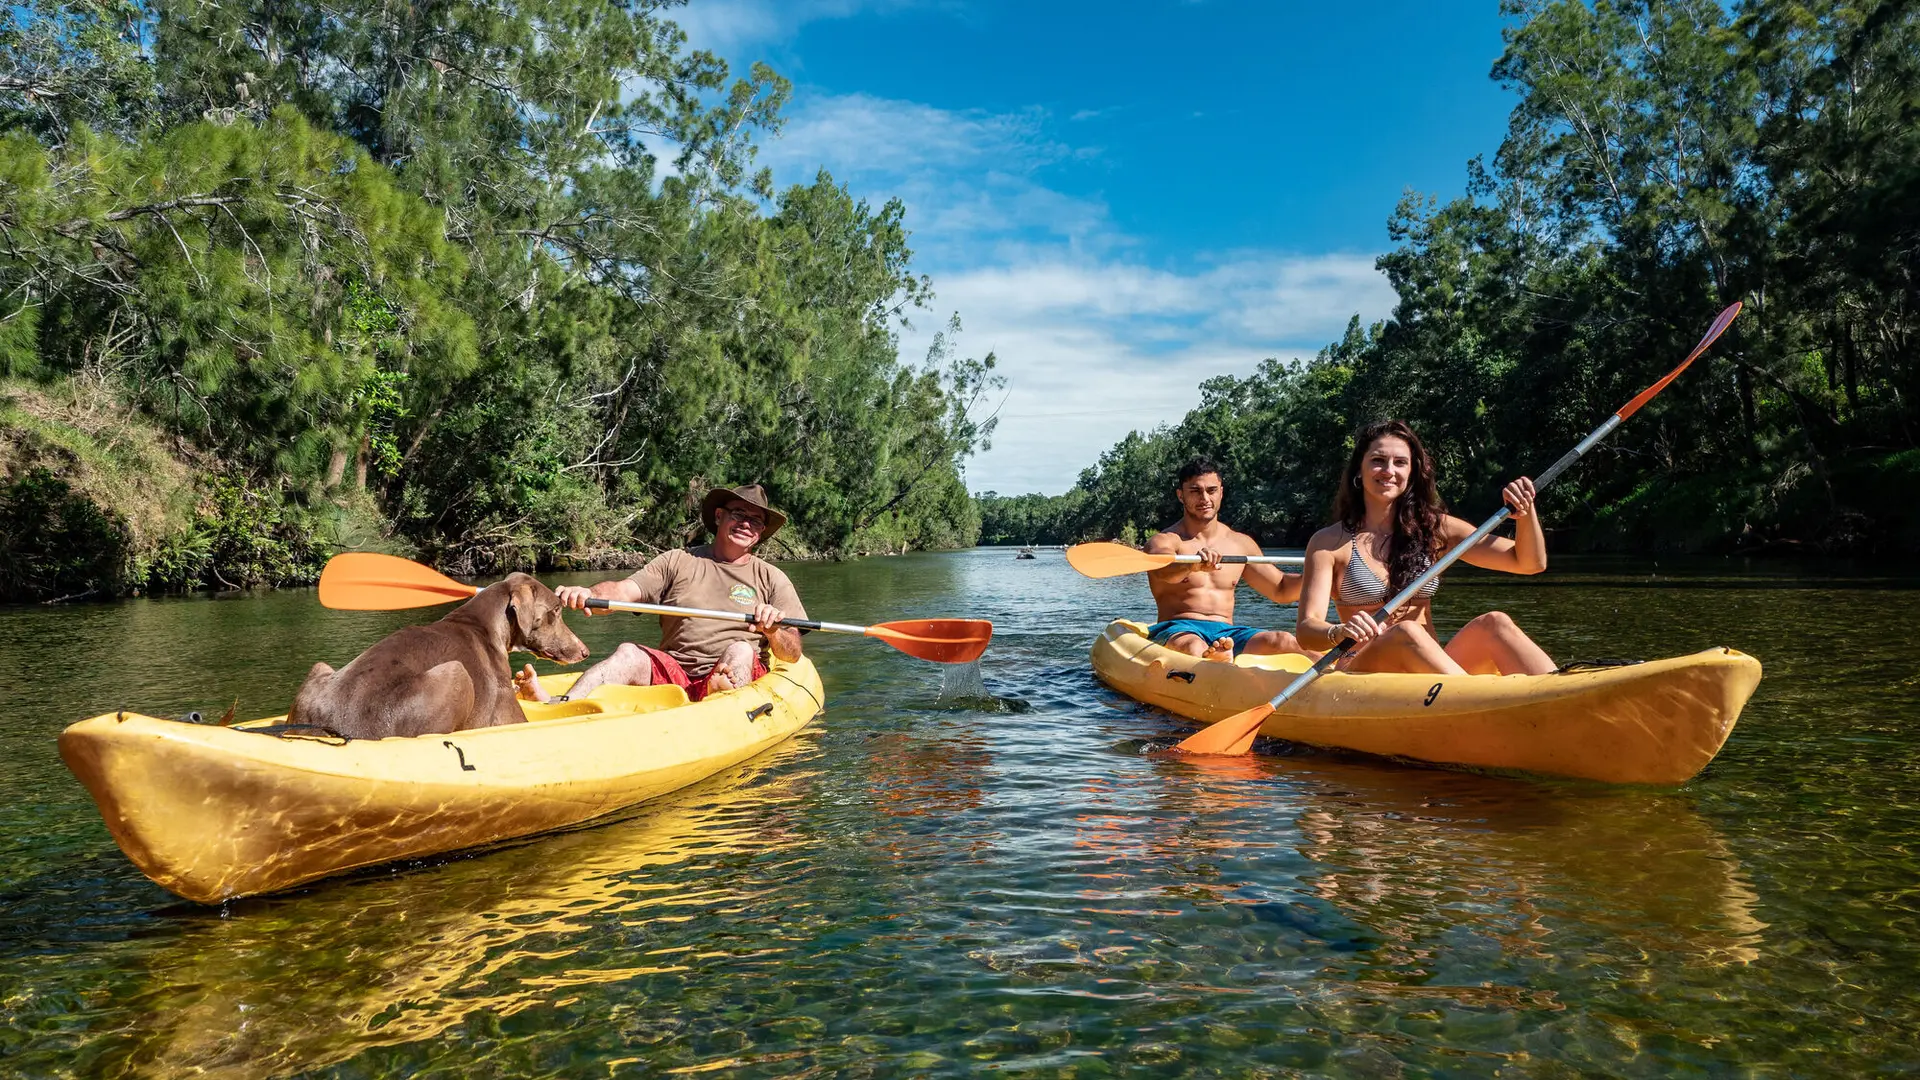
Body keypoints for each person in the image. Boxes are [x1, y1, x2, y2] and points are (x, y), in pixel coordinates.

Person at [1294, 419, 1554, 675]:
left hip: (1430, 671)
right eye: (1377, 460)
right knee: (1406, 631)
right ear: (1358, 472)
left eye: (1400, 462)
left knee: (1495, 623)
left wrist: (1525, 513)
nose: (1388, 470)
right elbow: (1306, 631)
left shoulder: (1436, 530)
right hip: (1362, 671)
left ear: (1411, 473)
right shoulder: (1329, 542)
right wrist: (1339, 631)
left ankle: (1559, 694)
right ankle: (1470, 700)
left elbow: (1529, 563)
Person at [517, 483, 806, 702]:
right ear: (719, 516)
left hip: (736, 668)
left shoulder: (772, 578)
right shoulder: (677, 561)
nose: (746, 524)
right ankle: (562, 704)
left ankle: (722, 698)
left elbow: (791, 654)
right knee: (628, 652)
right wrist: (586, 592)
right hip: (676, 671)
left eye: (755, 521)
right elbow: (623, 591)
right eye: (739, 514)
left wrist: (773, 632)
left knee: (740, 650)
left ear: (761, 532)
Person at [1144, 456, 1317, 662]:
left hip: (1228, 632)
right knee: (1193, 646)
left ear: (1221, 492)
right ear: (1181, 495)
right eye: (1195, 491)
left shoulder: (1240, 543)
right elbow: (1163, 569)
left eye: (1211, 490)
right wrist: (1191, 565)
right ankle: (1216, 661)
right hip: (1178, 628)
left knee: (1283, 640)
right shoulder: (1166, 541)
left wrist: (1320, 577)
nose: (1205, 498)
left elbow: (1280, 589)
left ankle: (1344, 669)